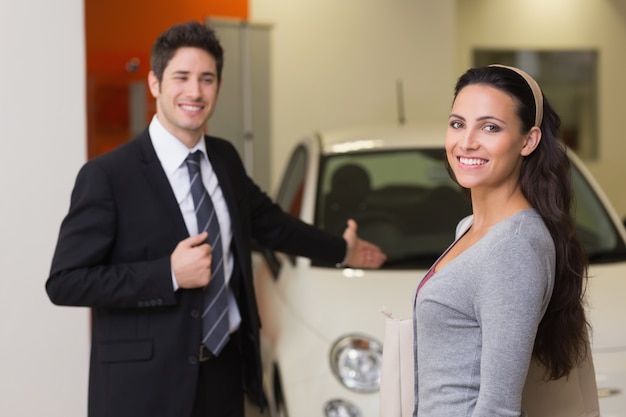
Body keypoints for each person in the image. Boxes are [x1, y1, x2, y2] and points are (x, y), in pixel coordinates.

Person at [45, 20, 386, 417]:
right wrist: (168, 274)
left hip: (223, 373)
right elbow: (65, 282)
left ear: (218, 88)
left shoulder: (224, 159)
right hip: (143, 388)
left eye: (207, 79)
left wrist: (342, 249)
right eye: (182, 77)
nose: (195, 91)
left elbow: (273, 224)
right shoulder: (108, 176)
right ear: (155, 83)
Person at [412, 64, 589, 416]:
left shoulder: (513, 247)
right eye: (457, 123)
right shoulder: (470, 228)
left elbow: (498, 408)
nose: (466, 142)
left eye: (490, 127)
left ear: (529, 140)